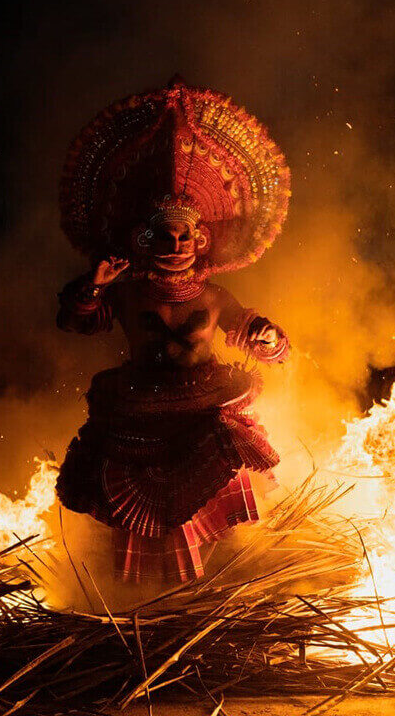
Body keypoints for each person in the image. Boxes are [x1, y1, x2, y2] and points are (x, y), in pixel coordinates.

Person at [54, 77, 292, 582]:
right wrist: (93, 287)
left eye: (185, 233)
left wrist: (268, 338)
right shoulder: (128, 290)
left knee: (212, 526)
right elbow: (77, 322)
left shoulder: (211, 294)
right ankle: (144, 612)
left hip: (202, 414)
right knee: (142, 530)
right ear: (145, 238)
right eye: (166, 233)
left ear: (201, 237)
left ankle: (210, 601)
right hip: (137, 419)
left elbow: (251, 332)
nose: (177, 242)